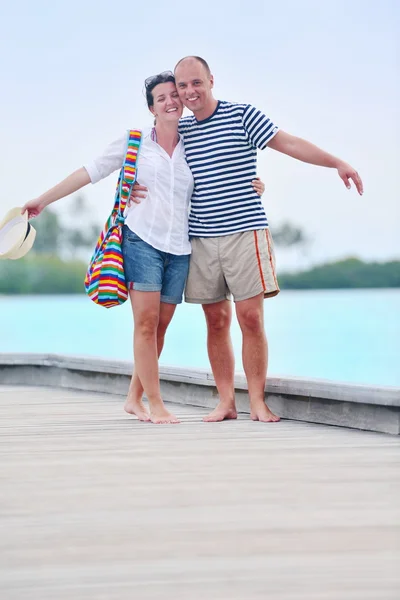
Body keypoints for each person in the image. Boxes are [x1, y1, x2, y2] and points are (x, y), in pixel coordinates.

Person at [21, 71, 265, 425]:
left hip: (180, 247)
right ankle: (155, 403)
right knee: (146, 324)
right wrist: (42, 201)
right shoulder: (134, 142)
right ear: (151, 108)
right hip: (141, 241)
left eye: (173, 96)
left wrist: (252, 186)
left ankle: (133, 398)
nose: (170, 102)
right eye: (161, 98)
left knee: (161, 326)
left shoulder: (193, 144)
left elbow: (222, 174)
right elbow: (89, 171)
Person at [133, 56, 364, 424]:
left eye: (197, 83)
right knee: (216, 321)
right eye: (183, 86)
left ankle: (257, 400)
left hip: (246, 230)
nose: (189, 92)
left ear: (211, 80)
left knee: (251, 317)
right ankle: (227, 401)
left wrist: (336, 162)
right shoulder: (182, 130)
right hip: (201, 237)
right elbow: (154, 164)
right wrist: (131, 188)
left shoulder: (243, 115)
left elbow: (289, 143)